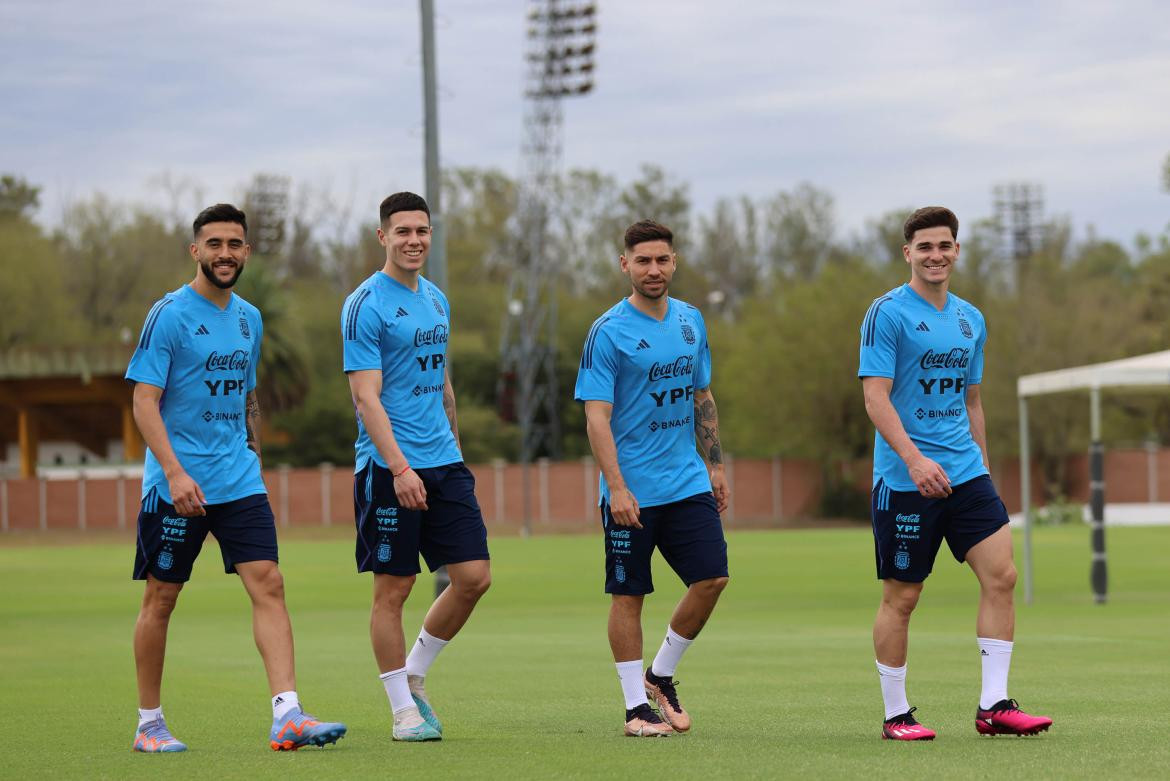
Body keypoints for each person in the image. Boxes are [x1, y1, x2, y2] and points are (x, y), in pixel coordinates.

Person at [126, 204, 345, 753]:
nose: (226, 253)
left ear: (246, 252)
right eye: (215, 243)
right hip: (177, 487)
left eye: (235, 244)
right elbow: (143, 402)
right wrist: (174, 473)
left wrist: (255, 457)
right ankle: (148, 724)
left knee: (269, 582)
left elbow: (248, 396)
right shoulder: (169, 315)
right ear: (195, 251)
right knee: (162, 597)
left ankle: (287, 715)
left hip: (239, 480)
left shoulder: (250, 317)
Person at [858, 206, 1053, 740]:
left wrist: (982, 466)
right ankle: (897, 715)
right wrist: (915, 461)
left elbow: (972, 401)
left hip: (966, 475)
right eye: (924, 247)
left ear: (957, 251)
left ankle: (994, 706)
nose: (935, 255)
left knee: (1003, 577)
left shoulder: (971, 319)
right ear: (908, 254)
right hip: (904, 480)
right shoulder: (887, 314)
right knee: (903, 597)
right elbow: (875, 398)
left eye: (944, 246)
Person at [342, 191, 491, 742]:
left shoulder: (436, 300)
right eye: (402, 231)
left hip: (444, 463)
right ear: (383, 236)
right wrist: (400, 468)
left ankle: (416, 673)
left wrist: (454, 448)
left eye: (422, 231)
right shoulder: (365, 304)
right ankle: (402, 711)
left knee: (474, 578)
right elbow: (366, 398)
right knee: (395, 589)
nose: (413, 240)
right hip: (389, 467)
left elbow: (441, 383)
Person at [574, 220, 730, 738]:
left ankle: (660, 675)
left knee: (712, 579)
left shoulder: (690, 320)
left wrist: (715, 463)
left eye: (662, 259)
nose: (654, 269)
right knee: (629, 596)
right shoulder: (608, 331)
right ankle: (634, 709)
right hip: (632, 491)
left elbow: (701, 396)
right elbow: (596, 417)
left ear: (675, 261)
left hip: (686, 481)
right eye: (643, 260)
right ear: (625, 265)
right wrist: (616, 487)